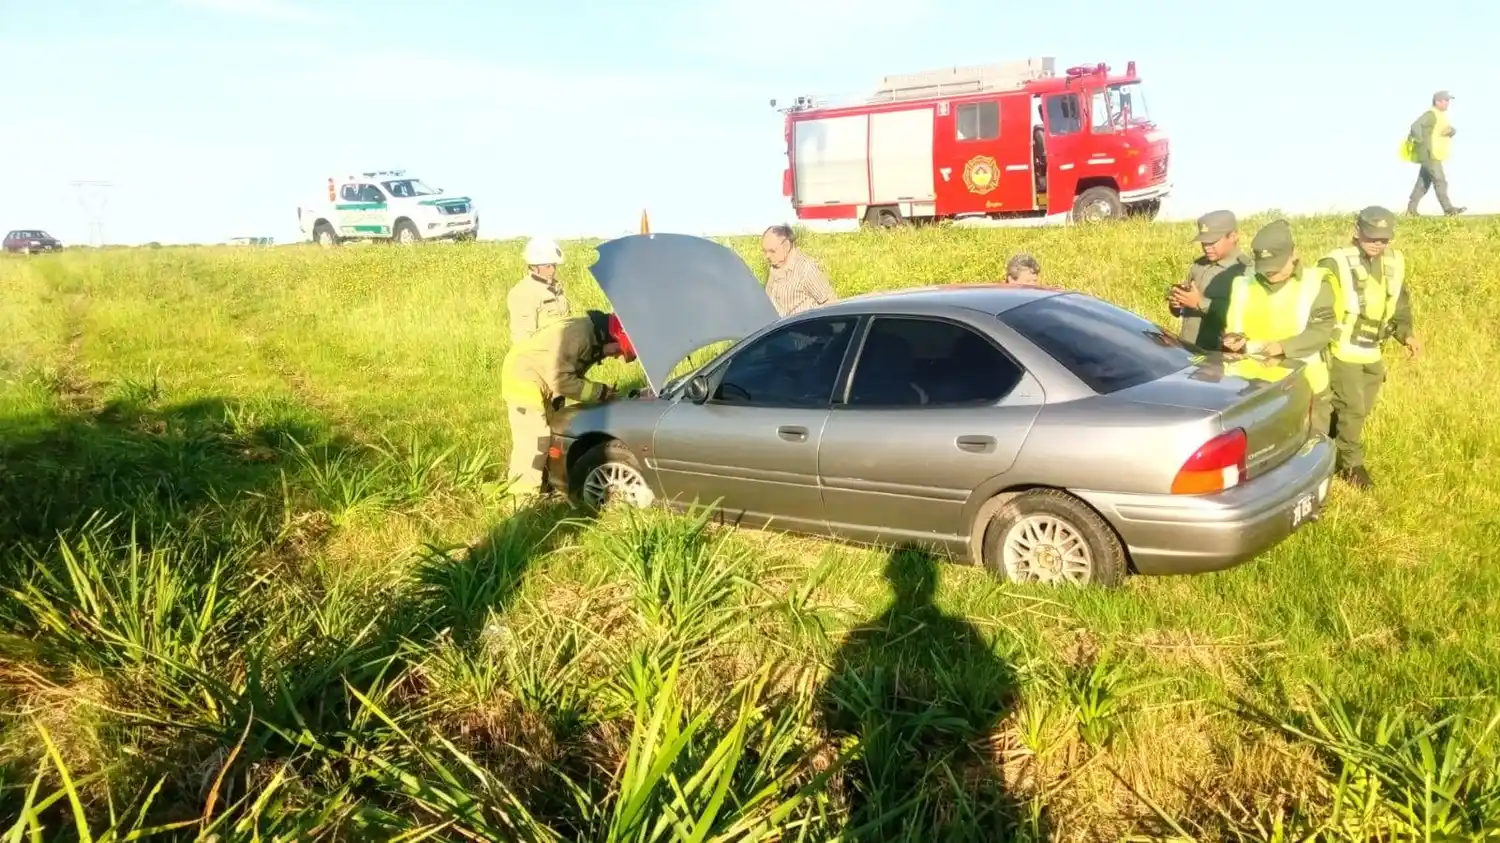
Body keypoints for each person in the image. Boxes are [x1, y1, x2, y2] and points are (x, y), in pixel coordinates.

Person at [1316, 206, 1421, 489]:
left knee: (1360, 410)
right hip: (1342, 348)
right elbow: (1318, 306)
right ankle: (1351, 466)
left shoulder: (1394, 262)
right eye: (1372, 236)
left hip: (1372, 350)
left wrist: (1406, 334)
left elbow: (1399, 302)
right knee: (1351, 407)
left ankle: (1326, 451)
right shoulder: (1334, 262)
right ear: (1356, 231)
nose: (1378, 243)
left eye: (1384, 239)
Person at [1219, 219, 1338, 434]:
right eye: (1265, 268)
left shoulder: (1316, 283)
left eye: (1276, 267)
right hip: (1253, 387)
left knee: (1310, 448)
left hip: (1306, 386)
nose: (1270, 273)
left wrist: (1282, 347)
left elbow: (1321, 332)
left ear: (1294, 254)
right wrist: (1233, 340)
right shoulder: (1242, 284)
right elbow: (1235, 326)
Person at [500, 310, 636, 495]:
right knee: (534, 442)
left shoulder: (591, 334)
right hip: (524, 380)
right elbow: (561, 381)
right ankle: (520, 501)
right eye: (619, 351)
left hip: (536, 378)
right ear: (612, 338)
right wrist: (600, 392)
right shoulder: (580, 338)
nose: (616, 356)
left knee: (548, 434)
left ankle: (542, 486)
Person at [1168, 209, 1253, 350]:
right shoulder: (1198, 265)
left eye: (1212, 242)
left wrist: (1200, 303)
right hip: (1187, 350)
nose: (1207, 248)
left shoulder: (1245, 271)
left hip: (1218, 356)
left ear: (1233, 236)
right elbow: (1184, 311)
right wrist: (1177, 304)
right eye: (1203, 243)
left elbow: (1246, 316)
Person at [1404, 91, 1466, 217]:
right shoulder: (1431, 114)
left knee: (1423, 183)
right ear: (1437, 101)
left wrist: (1452, 131)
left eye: (1448, 100)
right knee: (1440, 180)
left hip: (1434, 154)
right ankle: (1448, 209)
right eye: (1445, 100)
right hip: (1430, 154)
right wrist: (1421, 142)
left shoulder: (1441, 115)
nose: (1448, 103)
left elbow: (1442, 130)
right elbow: (1415, 126)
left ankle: (1411, 210)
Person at [761, 224, 838, 317]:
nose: (767, 256)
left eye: (772, 251)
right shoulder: (773, 269)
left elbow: (831, 303)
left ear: (786, 245)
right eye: (765, 251)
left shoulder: (805, 268)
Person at [507, 236, 571, 344]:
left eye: (554, 265)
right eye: (548, 266)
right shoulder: (523, 293)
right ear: (534, 267)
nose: (553, 270)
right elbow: (523, 340)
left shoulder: (556, 288)